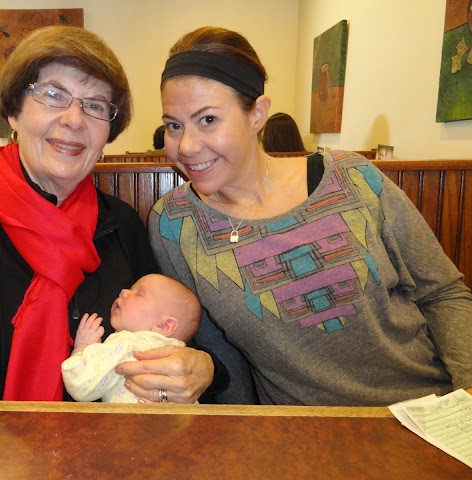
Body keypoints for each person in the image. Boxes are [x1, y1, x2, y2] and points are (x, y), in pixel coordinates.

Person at [0, 26, 216, 403]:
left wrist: (202, 366)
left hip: (112, 436)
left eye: (95, 105)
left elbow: (171, 339)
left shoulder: (123, 225)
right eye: (53, 94)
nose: (74, 119)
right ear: (14, 112)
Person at [147, 26, 472, 406]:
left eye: (207, 120)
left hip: (427, 408)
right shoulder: (175, 223)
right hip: (302, 432)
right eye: (173, 126)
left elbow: (442, 293)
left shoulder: (352, 177)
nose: (186, 146)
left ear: (257, 114)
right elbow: (218, 352)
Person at [62, 274, 201, 403]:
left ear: (164, 325)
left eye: (139, 294)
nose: (123, 291)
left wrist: (83, 348)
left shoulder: (127, 343)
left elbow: (80, 386)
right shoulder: (182, 364)